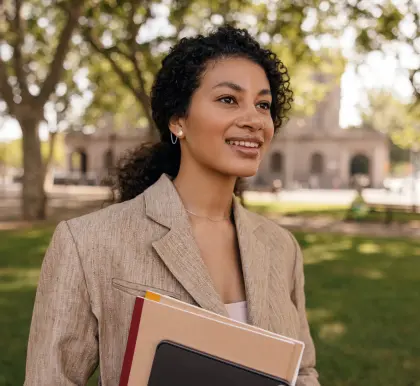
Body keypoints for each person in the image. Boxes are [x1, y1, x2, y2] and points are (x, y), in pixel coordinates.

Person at [25, 25, 319, 385]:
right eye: (229, 99)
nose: (254, 119)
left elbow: (302, 370)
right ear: (178, 120)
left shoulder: (281, 247)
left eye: (263, 105)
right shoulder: (86, 242)